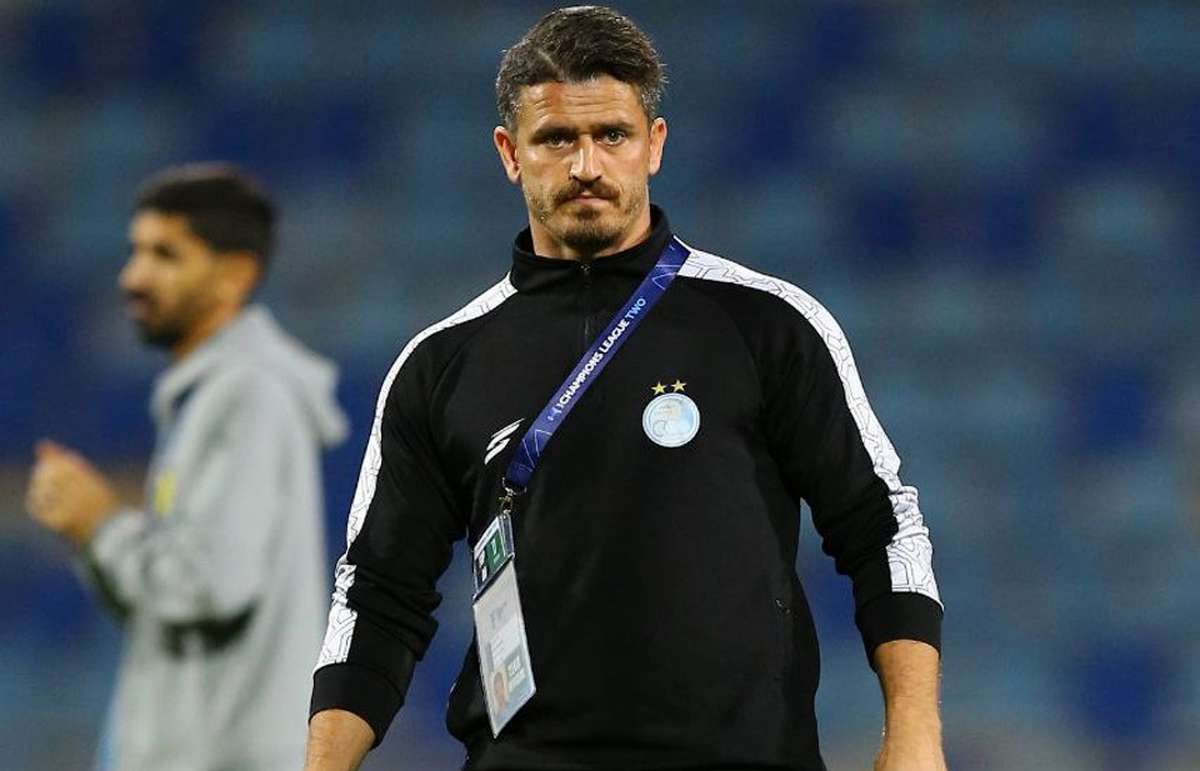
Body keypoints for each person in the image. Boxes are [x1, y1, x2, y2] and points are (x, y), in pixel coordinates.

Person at [306, 7, 945, 771]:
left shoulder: (767, 323)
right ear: (510, 153)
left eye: (612, 134)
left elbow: (882, 526)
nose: (586, 165)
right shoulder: (440, 364)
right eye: (556, 139)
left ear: (655, 144)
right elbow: (377, 593)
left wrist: (914, 731)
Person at [26, 164, 348, 771]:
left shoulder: (247, 395)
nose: (133, 276)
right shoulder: (212, 396)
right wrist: (92, 533)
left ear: (235, 275)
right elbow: (171, 605)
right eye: (135, 252)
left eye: (165, 255)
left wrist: (102, 525)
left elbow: (210, 585)